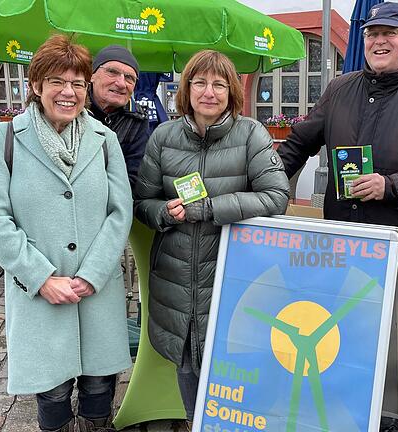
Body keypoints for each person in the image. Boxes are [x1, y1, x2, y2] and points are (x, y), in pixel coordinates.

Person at [277, 3, 398, 432]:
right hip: (339, 239)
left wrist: (391, 185)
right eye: (372, 33)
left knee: (391, 340)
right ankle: (353, 413)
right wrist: (267, 184)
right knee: (342, 331)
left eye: (390, 33)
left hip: (394, 244)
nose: (380, 41)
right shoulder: (339, 88)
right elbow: (299, 142)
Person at [0, 35, 133, 432]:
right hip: (40, 291)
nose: (69, 92)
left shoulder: (104, 140)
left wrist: (92, 274)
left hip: (96, 287)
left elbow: (120, 211)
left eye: (78, 83)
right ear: (36, 86)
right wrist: (42, 278)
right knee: (53, 388)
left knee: (100, 383)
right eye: (57, 81)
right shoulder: (5, 138)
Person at [133, 50, 289, 431]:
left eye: (219, 84)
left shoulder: (250, 133)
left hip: (233, 272)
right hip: (176, 274)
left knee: (235, 360)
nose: (209, 92)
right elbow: (143, 202)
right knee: (186, 360)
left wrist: (208, 208)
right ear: (186, 89)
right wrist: (163, 213)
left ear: (231, 91)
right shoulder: (164, 137)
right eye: (200, 83)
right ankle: (195, 420)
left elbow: (276, 197)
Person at [88, 44, 151, 189]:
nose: (121, 83)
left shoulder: (137, 118)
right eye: (112, 72)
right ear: (92, 75)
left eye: (129, 78)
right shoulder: (74, 108)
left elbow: (133, 177)